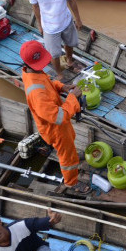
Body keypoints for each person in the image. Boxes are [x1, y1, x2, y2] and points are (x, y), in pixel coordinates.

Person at [19, 40, 91, 194]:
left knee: (70, 140)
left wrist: (61, 86)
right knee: (67, 157)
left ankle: (70, 155)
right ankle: (71, 182)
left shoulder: (32, 72)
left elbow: (47, 83)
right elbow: (60, 117)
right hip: (54, 128)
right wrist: (72, 97)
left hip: (59, 124)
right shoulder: (36, 93)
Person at [28, 0, 84, 76]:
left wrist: (78, 19)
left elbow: (71, 0)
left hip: (66, 21)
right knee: (53, 54)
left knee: (69, 44)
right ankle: (59, 73)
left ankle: (69, 61)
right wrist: (40, 25)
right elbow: (35, 7)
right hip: (49, 27)